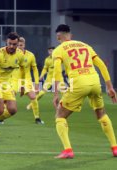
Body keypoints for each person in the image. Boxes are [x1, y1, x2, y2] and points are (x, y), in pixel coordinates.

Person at [52, 24, 117, 159]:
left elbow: (57, 71)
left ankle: (68, 150)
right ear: (71, 35)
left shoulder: (58, 50)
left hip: (78, 83)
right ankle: (115, 148)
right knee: (101, 114)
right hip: (95, 82)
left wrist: (56, 94)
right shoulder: (85, 46)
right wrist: (110, 87)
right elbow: (102, 65)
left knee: (60, 115)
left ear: (58, 36)